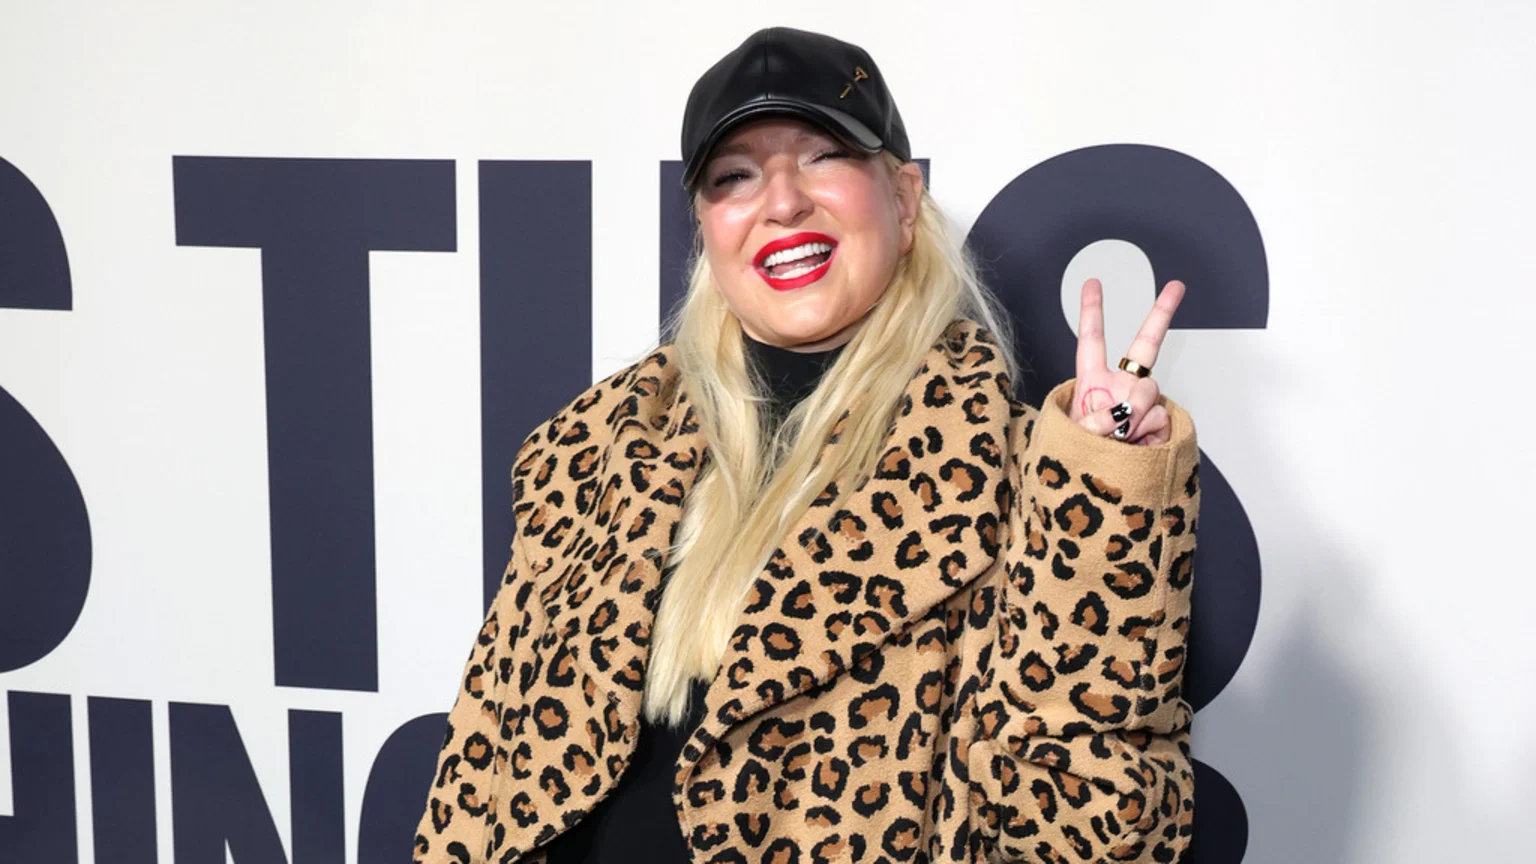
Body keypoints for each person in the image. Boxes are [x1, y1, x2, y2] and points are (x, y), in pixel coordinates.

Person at [414, 26, 1198, 864]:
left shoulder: (1016, 474)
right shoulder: (601, 448)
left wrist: (1104, 489)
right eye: (734, 177)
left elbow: (1097, 835)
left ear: (903, 199)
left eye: (824, 157)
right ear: (706, 228)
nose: (782, 202)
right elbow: (480, 776)